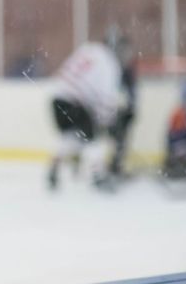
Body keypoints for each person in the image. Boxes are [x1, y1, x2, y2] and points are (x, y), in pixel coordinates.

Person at [47, 41, 122, 190]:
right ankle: (98, 176)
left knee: (69, 135)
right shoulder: (110, 62)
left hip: (57, 99)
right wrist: (107, 119)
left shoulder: (88, 48)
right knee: (93, 139)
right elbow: (107, 96)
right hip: (76, 103)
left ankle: (54, 169)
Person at [107, 33, 138, 179]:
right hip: (110, 109)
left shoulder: (128, 69)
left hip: (123, 111)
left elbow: (132, 91)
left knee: (121, 139)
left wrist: (131, 107)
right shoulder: (110, 66)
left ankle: (116, 165)